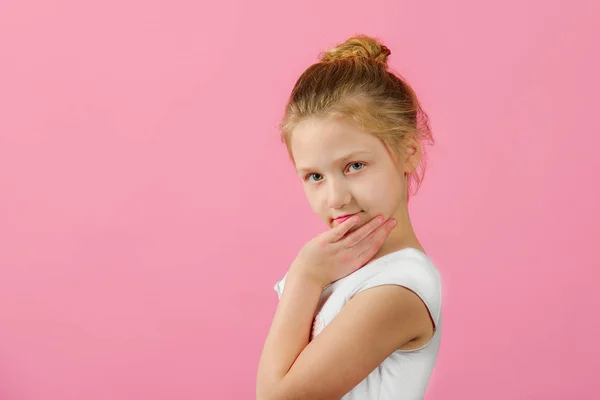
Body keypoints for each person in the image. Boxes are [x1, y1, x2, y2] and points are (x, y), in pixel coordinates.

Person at [256, 34, 442, 400]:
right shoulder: (344, 270)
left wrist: (306, 275)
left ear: (408, 152)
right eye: (315, 176)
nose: (336, 198)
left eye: (354, 166)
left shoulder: (398, 288)